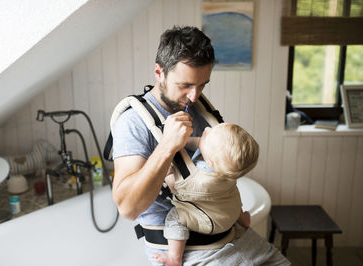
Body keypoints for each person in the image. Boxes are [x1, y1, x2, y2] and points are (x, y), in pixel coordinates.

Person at [112, 25, 290, 265]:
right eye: (185, 85)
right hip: (186, 252)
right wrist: (166, 147)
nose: (194, 96)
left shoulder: (199, 107)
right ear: (159, 72)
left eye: (202, 85)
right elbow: (127, 209)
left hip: (234, 236)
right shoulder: (133, 123)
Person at [152, 123, 258, 266]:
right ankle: (242, 219)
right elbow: (199, 143)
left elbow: (175, 188)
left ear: (209, 161)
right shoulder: (226, 168)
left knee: (175, 217)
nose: (206, 129)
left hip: (211, 223)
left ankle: (174, 257)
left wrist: (168, 174)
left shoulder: (198, 180)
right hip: (230, 213)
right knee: (231, 198)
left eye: (207, 135)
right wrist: (182, 141)